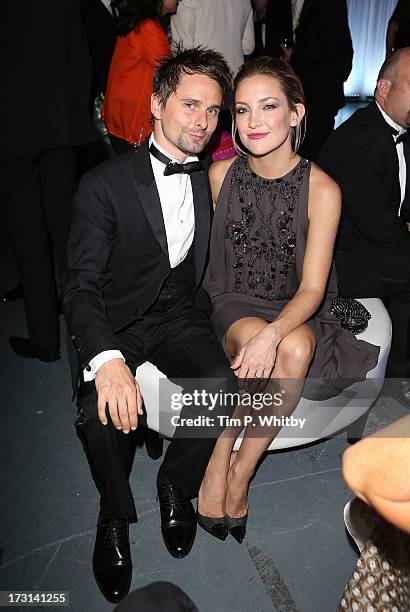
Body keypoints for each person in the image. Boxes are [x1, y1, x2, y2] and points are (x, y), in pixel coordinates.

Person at [62, 47, 235, 603]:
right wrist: (108, 360)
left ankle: (175, 486)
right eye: (189, 105)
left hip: (177, 316)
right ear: (157, 104)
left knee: (221, 388)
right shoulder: (104, 184)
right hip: (116, 322)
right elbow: (81, 286)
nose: (202, 122)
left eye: (212, 111)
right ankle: (113, 515)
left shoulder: (209, 177)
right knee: (100, 412)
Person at [199, 56, 379, 544]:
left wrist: (274, 334)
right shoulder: (219, 179)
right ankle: (221, 456)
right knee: (270, 343)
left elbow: (315, 289)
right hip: (234, 300)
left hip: (297, 306)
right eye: (241, 110)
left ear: (297, 114)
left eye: (268, 107)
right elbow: (208, 271)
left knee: (294, 348)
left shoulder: (323, 189)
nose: (253, 122)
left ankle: (236, 468)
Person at [0, 0, 95, 361]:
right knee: (68, 238)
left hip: (10, 138)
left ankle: (45, 340)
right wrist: (74, 114)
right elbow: (81, 60)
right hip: (60, 129)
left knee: (29, 242)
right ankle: (87, 334)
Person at [318, 48, 410, 378]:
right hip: (344, 263)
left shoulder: (396, 132)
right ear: (384, 89)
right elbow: (383, 230)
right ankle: (397, 382)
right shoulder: (357, 142)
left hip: (375, 245)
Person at [263, 0, 353, 161]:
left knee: (318, 148)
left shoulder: (331, 4)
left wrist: (295, 57)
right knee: (288, 145)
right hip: (287, 84)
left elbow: (333, 40)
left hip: (322, 87)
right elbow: (273, 32)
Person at [102, 0, 175, 154]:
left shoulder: (139, 23)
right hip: (132, 124)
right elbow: (170, 71)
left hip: (122, 118)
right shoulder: (147, 28)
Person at [170, 0, 255, 77]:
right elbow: (248, 47)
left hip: (202, 75)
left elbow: (181, 47)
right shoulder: (245, 1)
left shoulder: (185, 1)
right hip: (234, 75)